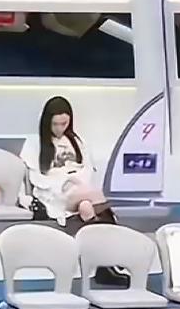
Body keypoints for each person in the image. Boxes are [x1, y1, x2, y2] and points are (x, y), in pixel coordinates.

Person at [22, 96, 129, 286]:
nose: (59, 129)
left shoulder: (77, 141)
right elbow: (36, 176)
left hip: (79, 190)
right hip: (54, 193)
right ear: (47, 122)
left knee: (87, 207)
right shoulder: (34, 142)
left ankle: (104, 267)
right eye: (55, 124)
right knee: (96, 198)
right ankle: (113, 250)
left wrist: (76, 181)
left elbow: (87, 169)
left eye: (64, 124)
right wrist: (62, 182)